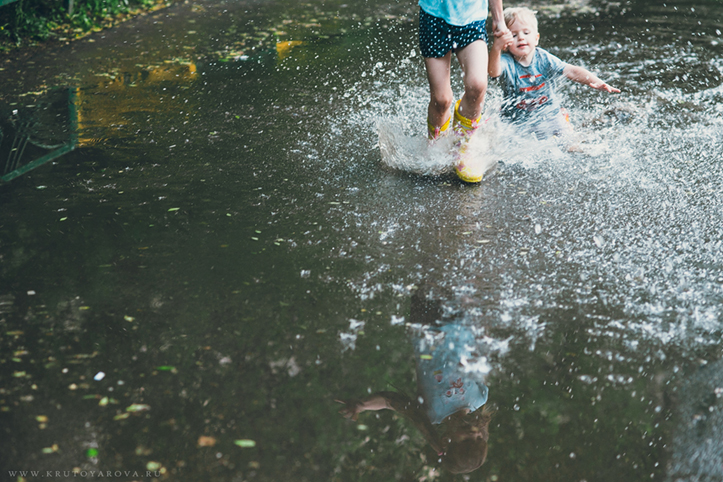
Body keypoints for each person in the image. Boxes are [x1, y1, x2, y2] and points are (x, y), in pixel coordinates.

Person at [336, 301, 493, 474]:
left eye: (466, 441)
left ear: (446, 440)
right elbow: (481, 356)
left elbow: (391, 403)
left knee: (430, 283)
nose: (473, 434)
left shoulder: (429, 414)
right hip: (462, 321)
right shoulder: (479, 398)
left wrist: (363, 405)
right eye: (479, 439)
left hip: (426, 326)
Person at [488, 7, 620, 142]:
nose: (521, 37)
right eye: (514, 35)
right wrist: (496, 48)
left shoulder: (543, 58)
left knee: (571, 145)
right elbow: (493, 71)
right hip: (518, 121)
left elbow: (571, 70)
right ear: (506, 44)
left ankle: (567, 125)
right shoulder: (506, 61)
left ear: (536, 38)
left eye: (526, 32)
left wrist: (595, 81)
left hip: (549, 115)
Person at [419, 0, 510, 183]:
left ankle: (463, 146)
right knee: (441, 100)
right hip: (434, 18)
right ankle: (436, 146)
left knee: (477, 85)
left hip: (472, 19)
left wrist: (499, 19)